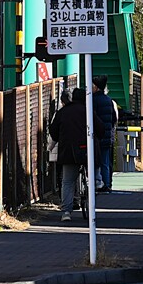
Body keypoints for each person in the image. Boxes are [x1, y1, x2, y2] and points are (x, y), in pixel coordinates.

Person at [49, 87, 102, 222]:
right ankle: (96, 183)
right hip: (88, 151)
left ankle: (66, 211)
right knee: (92, 176)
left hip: (69, 152)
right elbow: (101, 128)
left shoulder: (63, 112)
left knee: (67, 181)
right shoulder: (88, 111)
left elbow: (53, 131)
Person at [91, 75, 117, 193]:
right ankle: (107, 184)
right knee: (105, 162)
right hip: (107, 135)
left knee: (95, 161)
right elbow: (114, 119)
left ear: (96, 87)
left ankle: (97, 183)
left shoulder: (93, 100)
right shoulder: (109, 100)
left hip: (96, 135)